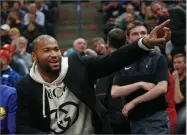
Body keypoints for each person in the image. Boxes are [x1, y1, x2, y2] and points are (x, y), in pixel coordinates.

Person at [16, 20, 171, 134]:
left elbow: (112, 60)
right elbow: (23, 126)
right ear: (34, 56)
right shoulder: (25, 85)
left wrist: (144, 43)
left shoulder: (76, 64)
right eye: (47, 50)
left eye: (56, 49)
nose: (54, 54)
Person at [111, 20, 170, 134]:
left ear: (148, 35)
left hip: (156, 118)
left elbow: (162, 88)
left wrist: (133, 102)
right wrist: (140, 84)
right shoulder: (123, 61)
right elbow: (115, 92)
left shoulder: (157, 58)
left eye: (143, 33)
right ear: (128, 39)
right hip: (134, 121)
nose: (140, 36)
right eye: (135, 34)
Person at [95, 28, 130, 134]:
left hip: (114, 121)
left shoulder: (106, 65)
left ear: (108, 44)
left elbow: (100, 96)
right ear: (126, 41)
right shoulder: (134, 61)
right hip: (134, 117)